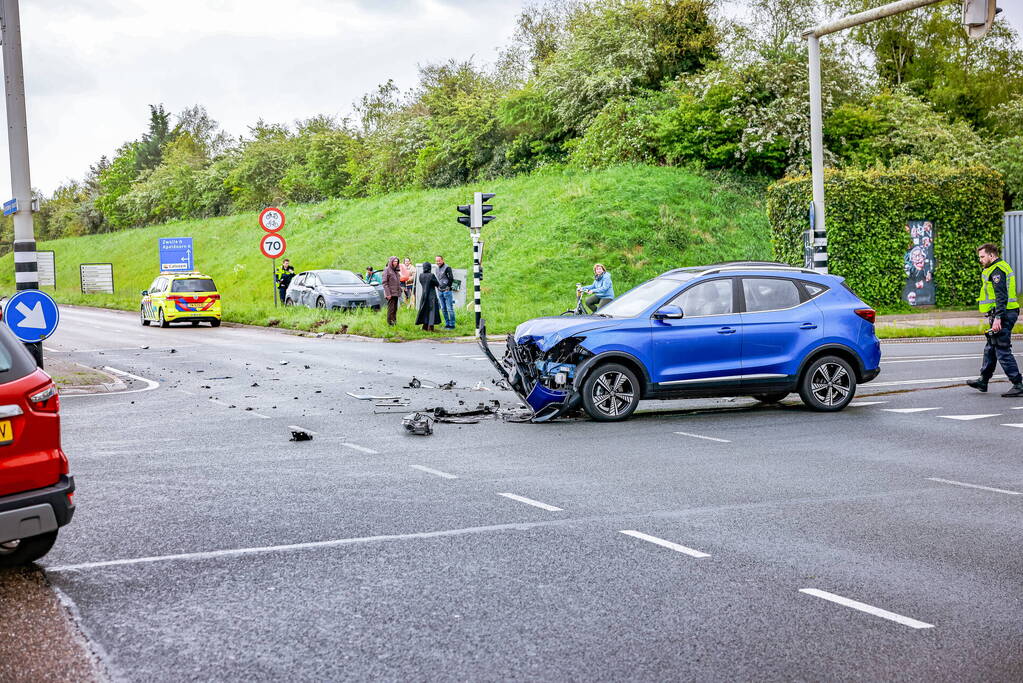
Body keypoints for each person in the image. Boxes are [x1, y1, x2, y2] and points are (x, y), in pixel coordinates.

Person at [968, 243, 1022, 397]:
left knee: (1002, 349)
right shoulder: (994, 268)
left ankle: (1018, 383)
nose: (980, 260)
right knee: (991, 348)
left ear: (991, 255)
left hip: (1004, 314)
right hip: (1001, 313)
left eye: (982, 256)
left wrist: (998, 317)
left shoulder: (997, 270)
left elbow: (1001, 296)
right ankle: (983, 381)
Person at [415, 262, 442, 331]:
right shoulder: (431, 275)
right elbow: (437, 284)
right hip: (431, 295)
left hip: (424, 295)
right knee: (432, 311)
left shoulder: (421, 275)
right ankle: (430, 327)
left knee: (424, 310)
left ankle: (424, 326)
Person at [434, 255, 456, 330]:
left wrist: (448, 288)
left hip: (447, 291)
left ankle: (452, 325)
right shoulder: (436, 268)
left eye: (439, 260)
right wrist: (437, 287)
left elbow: (451, 278)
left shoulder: (447, 267)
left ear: (442, 260)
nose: (438, 262)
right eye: (436, 261)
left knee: (450, 308)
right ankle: (447, 324)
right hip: (440, 291)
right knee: (443, 308)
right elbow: (437, 279)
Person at [382, 256, 402, 326]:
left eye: (397, 261)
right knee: (391, 309)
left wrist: (400, 289)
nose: (395, 263)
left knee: (395, 308)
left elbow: (397, 282)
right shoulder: (387, 270)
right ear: (391, 262)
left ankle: (394, 322)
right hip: (390, 293)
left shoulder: (396, 270)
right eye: (394, 261)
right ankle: (390, 323)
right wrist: (388, 294)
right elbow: (384, 283)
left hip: (396, 293)